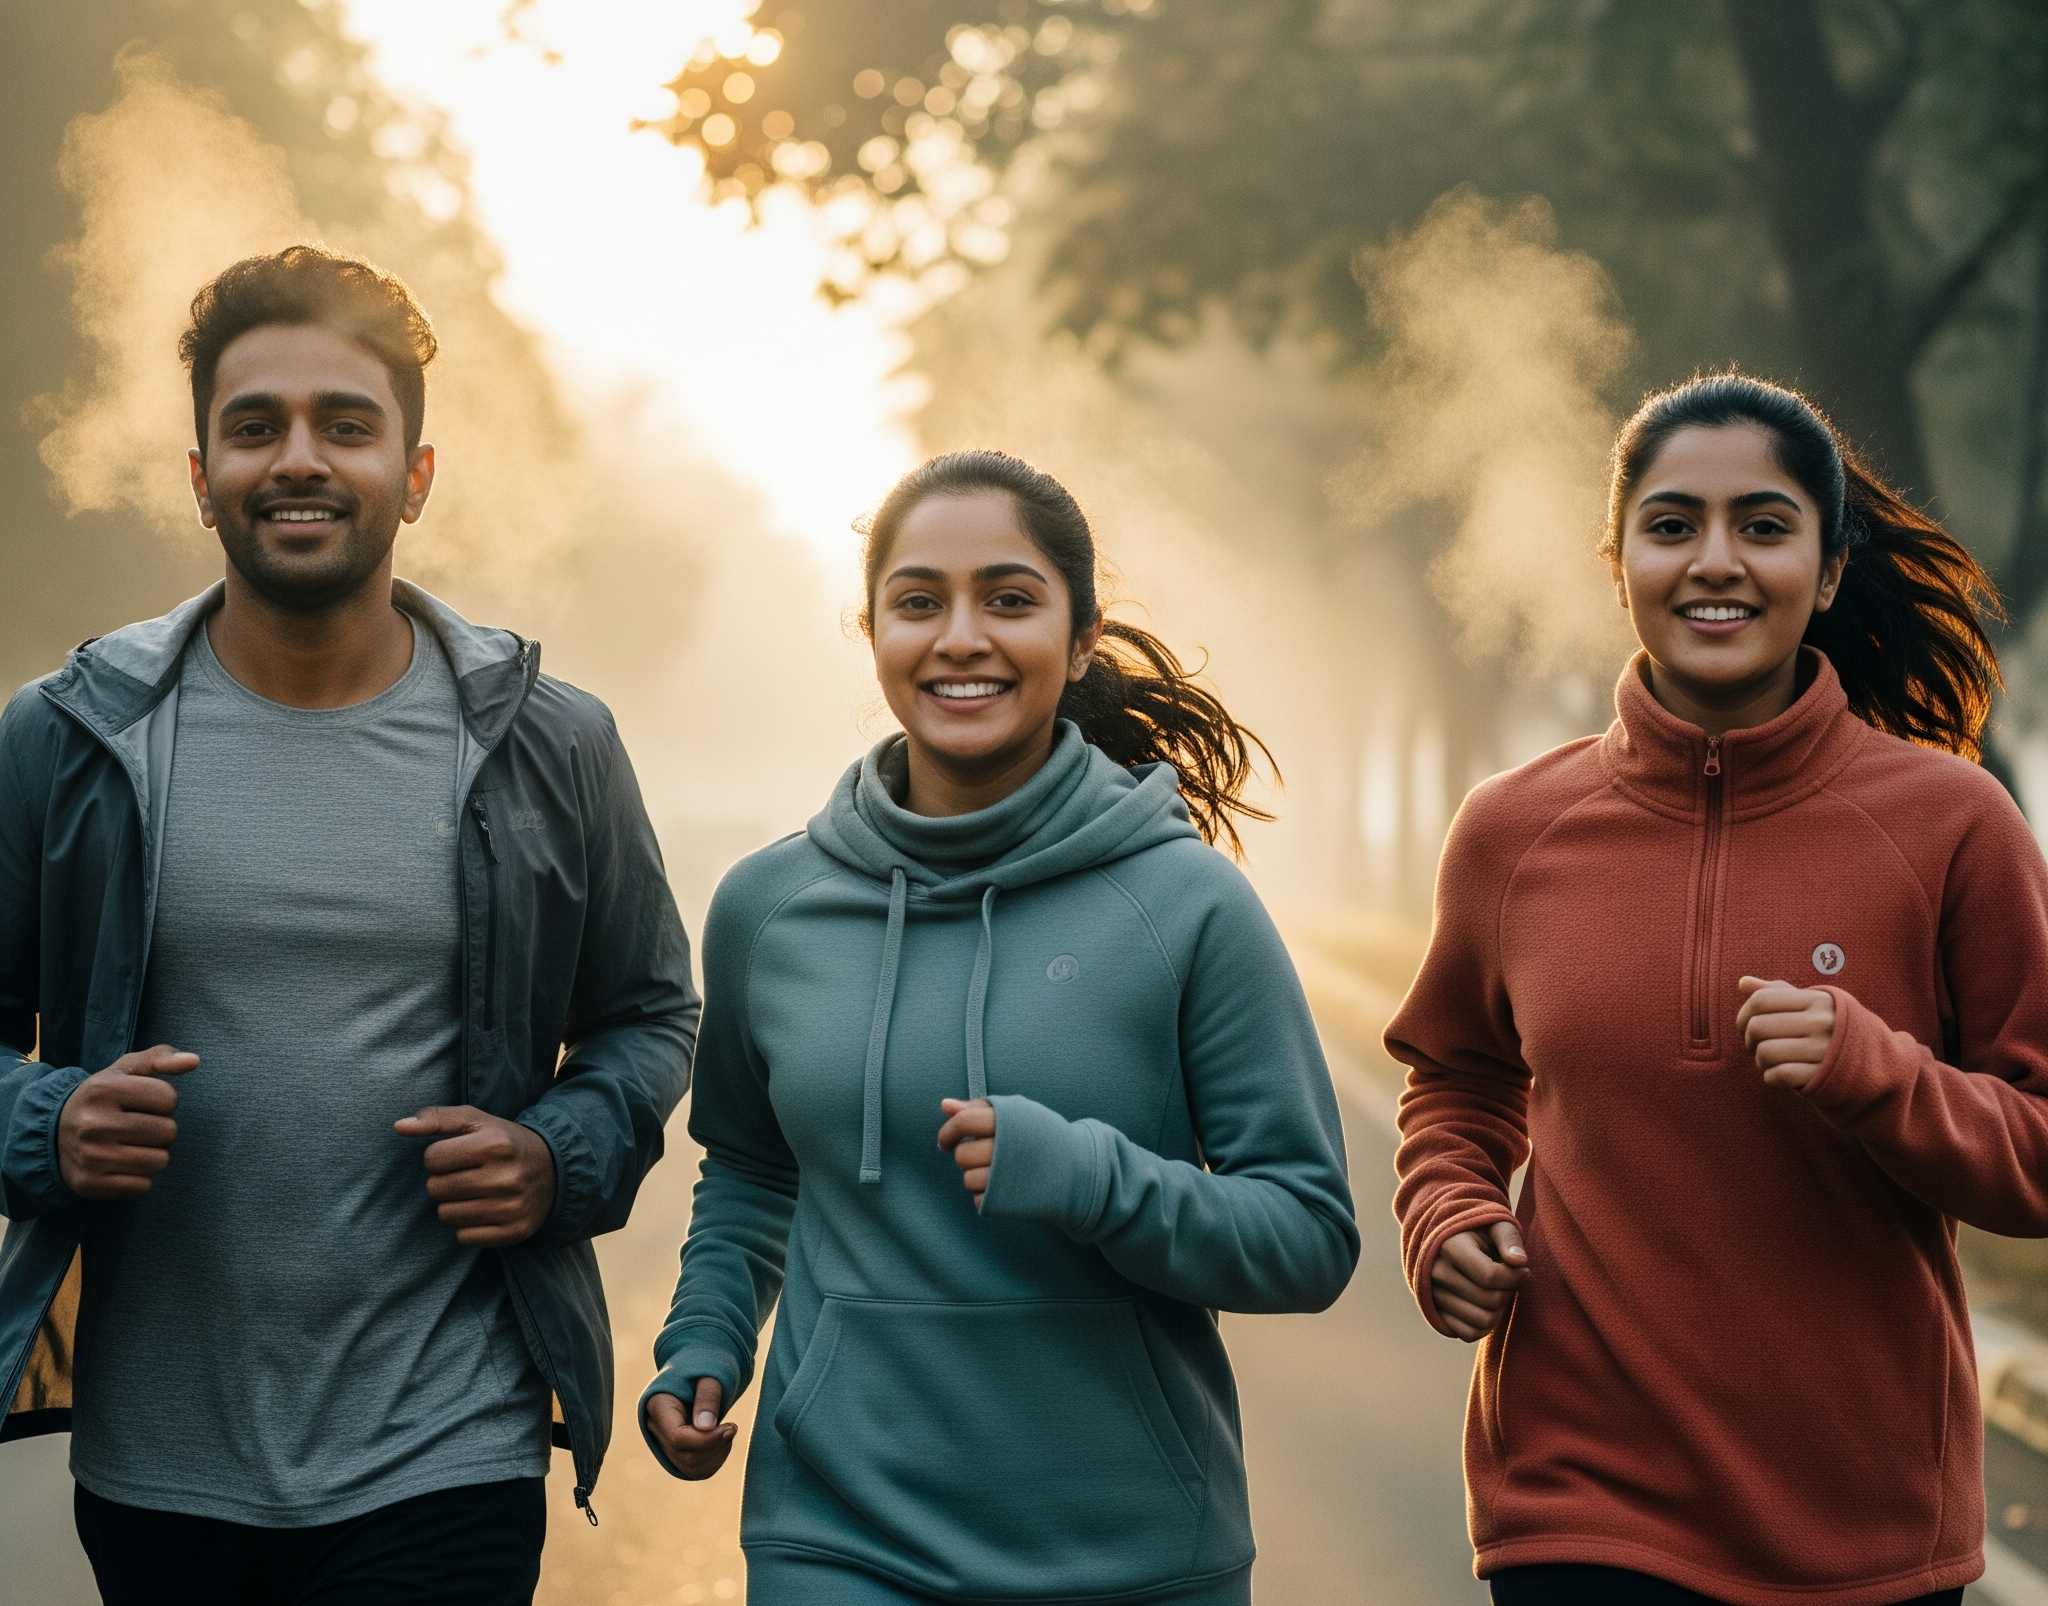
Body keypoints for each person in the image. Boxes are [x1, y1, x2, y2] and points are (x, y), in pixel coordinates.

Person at [0, 246, 698, 1605]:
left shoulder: (550, 742)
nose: (298, 459)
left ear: (416, 476)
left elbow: (648, 1011)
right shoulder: (66, 740)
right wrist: (47, 1124)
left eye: (347, 424)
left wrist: (559, 1154)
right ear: (201, 473)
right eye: (255, 426)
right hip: (156, 1461)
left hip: (452, 1444)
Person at [637, 450, 1359, 1603]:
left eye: (1008, 599)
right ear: (869, 630)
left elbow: (1307, 1234)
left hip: (1131, 1553)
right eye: (918, 600)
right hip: (835, 1533)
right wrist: (706, 1342)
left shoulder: (1185, 904)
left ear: (1079, 641)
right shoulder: (768, 908)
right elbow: (752, 1173)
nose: (959, 635)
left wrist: (1090, 1178)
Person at [1387, 373, 2048, 1606]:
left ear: (1829, 567)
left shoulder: (1952, 825)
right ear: (1618, 558)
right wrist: (1448, 1212)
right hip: (1574, 1500)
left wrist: (1876, 1072)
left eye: (1762, 524)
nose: (1714, 562)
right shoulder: (1511, 831)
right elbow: (1458, 1079)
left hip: (1862, 1520)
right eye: (1672, 523)